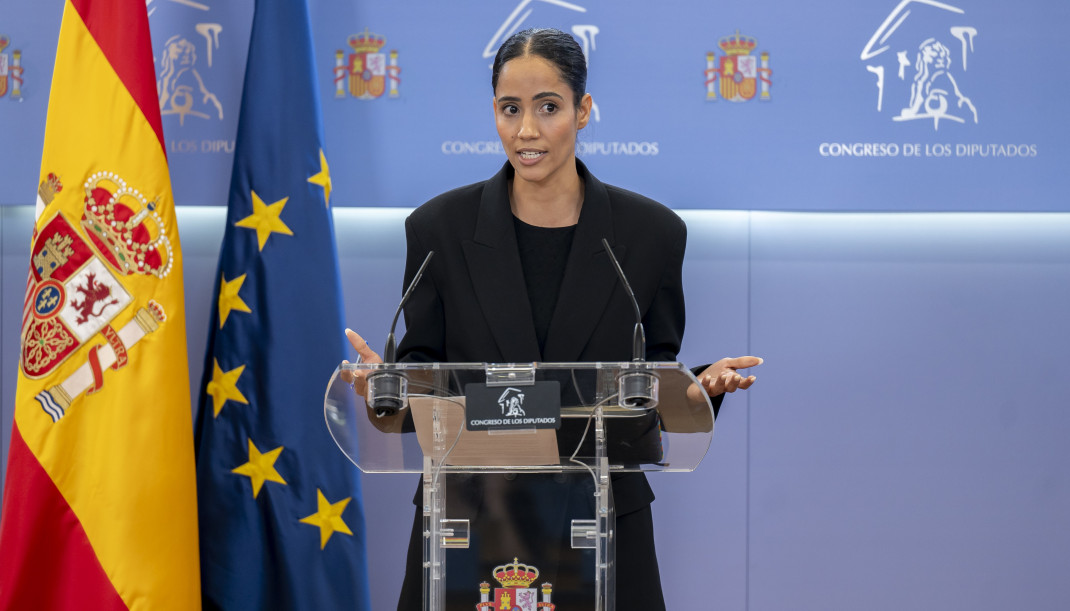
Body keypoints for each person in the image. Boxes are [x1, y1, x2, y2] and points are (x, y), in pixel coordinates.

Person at [346, 27, 761, 611]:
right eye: (510, 109)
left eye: (548, 108)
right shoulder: (438, 230)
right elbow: (425, 365)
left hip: (601, 513)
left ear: (583, 110)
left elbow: (650, 375)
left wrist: (697, 388)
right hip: (468, 515)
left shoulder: (650, 237)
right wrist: (385, 387)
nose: (526, 131)